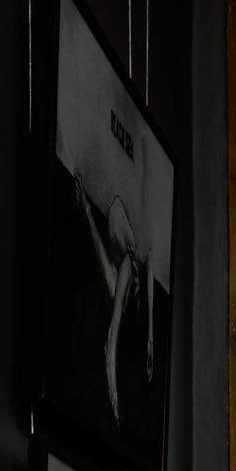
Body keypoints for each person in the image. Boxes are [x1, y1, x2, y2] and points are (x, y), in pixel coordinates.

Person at [73, 173, 155, 428]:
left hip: (125, 320)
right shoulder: (126, 270)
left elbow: (115, 330)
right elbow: (115, 331)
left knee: (113, 286)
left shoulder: (126, 270)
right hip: (125, 320)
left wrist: (113, 389)